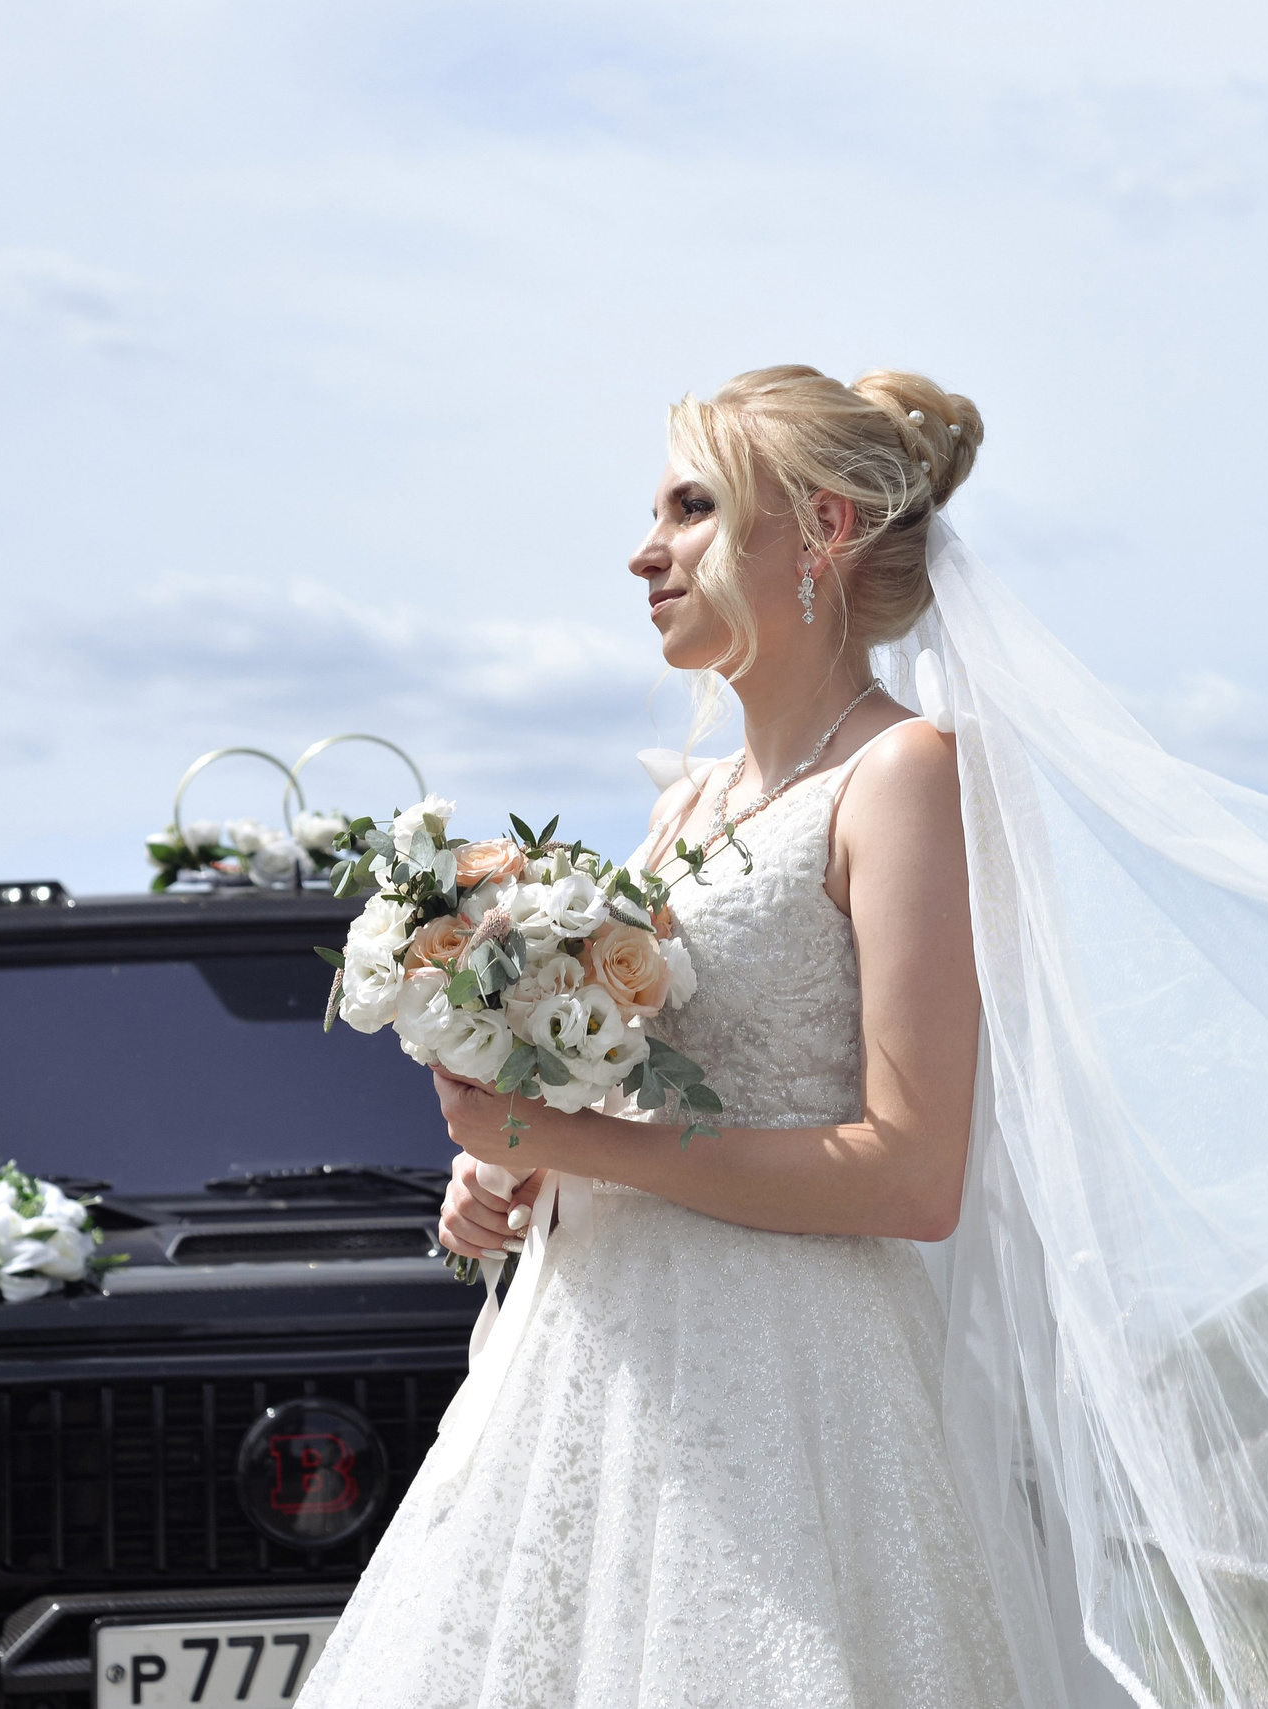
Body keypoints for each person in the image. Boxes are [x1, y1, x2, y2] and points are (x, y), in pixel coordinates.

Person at [296, 365, 1024, 1709]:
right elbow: (642, 1095)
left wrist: (574, 1138)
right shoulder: (688, 806)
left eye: (691, 508)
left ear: (821, 532)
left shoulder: (903, 774)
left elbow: (911, 1173)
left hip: (789, 1398)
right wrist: (522, 1169)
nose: (644, 552)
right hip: (594, 1368)